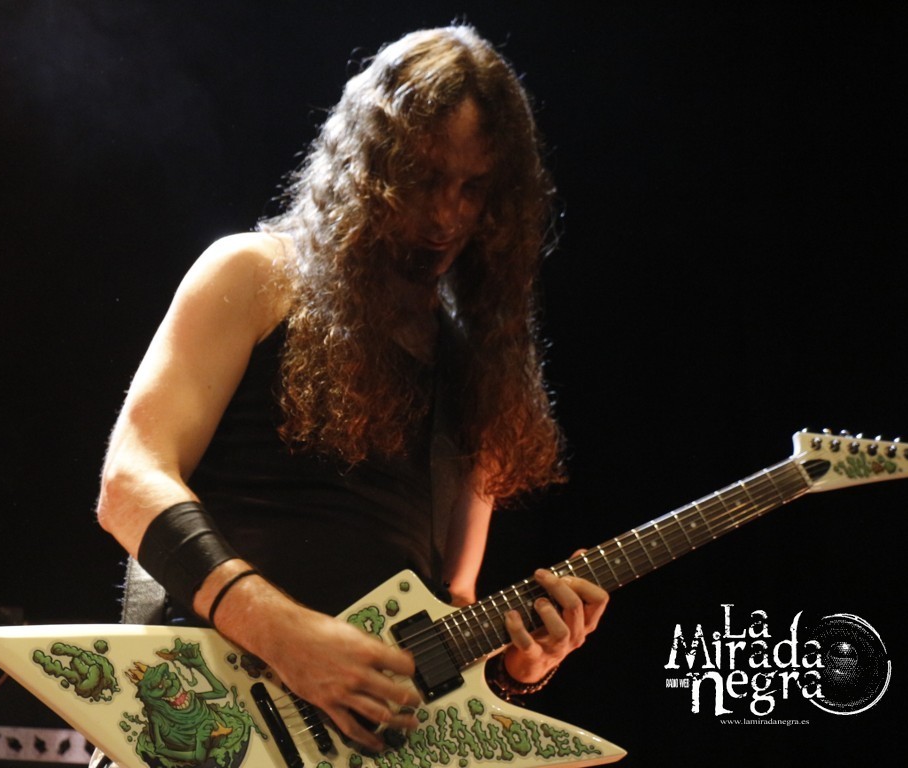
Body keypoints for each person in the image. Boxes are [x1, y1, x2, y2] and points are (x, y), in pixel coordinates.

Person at [94, 24, 608, 762]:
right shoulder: (252, 274)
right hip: (196, 723)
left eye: (473, 189)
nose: (446, 215)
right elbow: (128, 484)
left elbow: (450, 612)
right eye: (425, 177)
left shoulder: (476, 371)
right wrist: (283, 633)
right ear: (370, 166)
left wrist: (522, 665)